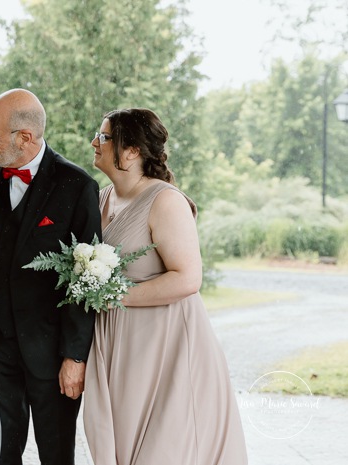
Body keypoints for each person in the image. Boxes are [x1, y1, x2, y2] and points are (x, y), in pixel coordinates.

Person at [83, 108, 248, 465]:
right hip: (120, 344)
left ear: (131, 152)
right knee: (125, 442)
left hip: (167, 343)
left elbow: (188, 277)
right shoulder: (102, 197)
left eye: (105, 137)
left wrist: (112, 297)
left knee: (164, 446)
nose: (94, 142)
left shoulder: (165, 201)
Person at [0, 88, 102, 465]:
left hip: (50, 351)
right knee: (0, 448)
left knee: (56, 452)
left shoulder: (77, 187)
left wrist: (75, 358)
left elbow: (86, 277)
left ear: (25, 138)